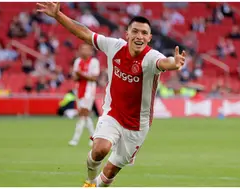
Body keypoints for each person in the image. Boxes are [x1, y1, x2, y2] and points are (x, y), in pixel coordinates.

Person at [37, 2, 186, 187]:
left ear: (149, 37)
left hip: (137, 125)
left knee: (110, 172)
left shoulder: (150, 57)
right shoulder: (114, 46)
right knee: (100, 149)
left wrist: (175, 63)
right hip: (113, 114)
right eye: (135, 31)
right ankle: (90, 181)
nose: (139, 36)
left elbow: (165, 62)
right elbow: (83, 33)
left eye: (144, 33)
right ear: (127, 34)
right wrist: (59, 16)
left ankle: (95, 185)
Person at [68, 43, 100, 147]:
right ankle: (94, 137)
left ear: (91, 51)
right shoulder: (77, 61)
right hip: (79, 90)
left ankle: (75, 139)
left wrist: (81, 74)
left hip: (89, 91)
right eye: (82, 49)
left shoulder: (94, 62)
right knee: (85, 115)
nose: (84, 51)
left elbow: (94, 78)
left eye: (86, 49)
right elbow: (75, 77)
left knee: (83, 114)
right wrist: (78, 75)